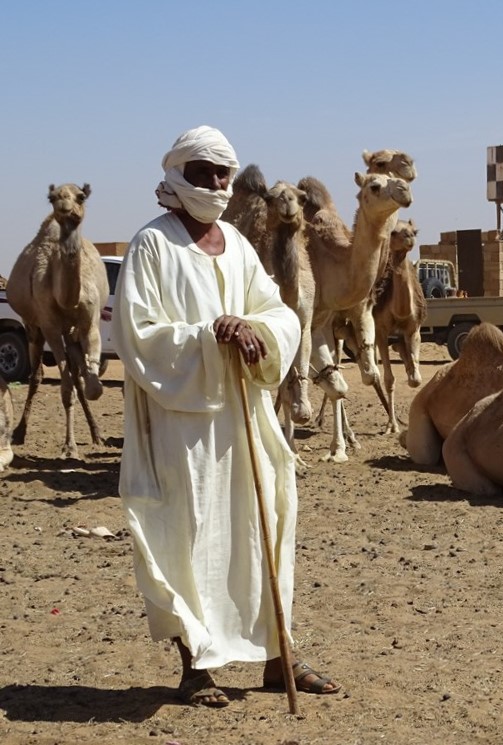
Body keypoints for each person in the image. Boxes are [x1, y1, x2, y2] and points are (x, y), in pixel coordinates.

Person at [112, 125, 341, 707]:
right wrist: (208, 333)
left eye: (224, 173)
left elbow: (279, 313)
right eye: (205, 172)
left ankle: (277, 654)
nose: (217, 183)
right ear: (178, 174)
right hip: (181, 419)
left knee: (265, 525)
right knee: (190, 535)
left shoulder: (237, 244)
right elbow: (137, 334)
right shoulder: (152, 245)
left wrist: (256, 329)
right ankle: (195, 666)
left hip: (245, 414)